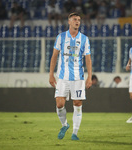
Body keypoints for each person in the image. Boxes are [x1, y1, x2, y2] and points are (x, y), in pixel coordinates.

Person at [49, 12, 92, 140]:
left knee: (77, 103)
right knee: (59, 103)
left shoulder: (84, 39)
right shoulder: (61, 37)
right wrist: (51, 74)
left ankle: (75, 133)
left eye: (79, 19)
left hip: (78, 77)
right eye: (74, 19)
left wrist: (89, 76)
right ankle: (65, 125)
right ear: (69, 21)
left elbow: (88, 59)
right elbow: (54, 56)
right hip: (63, 77)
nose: (77, 21)